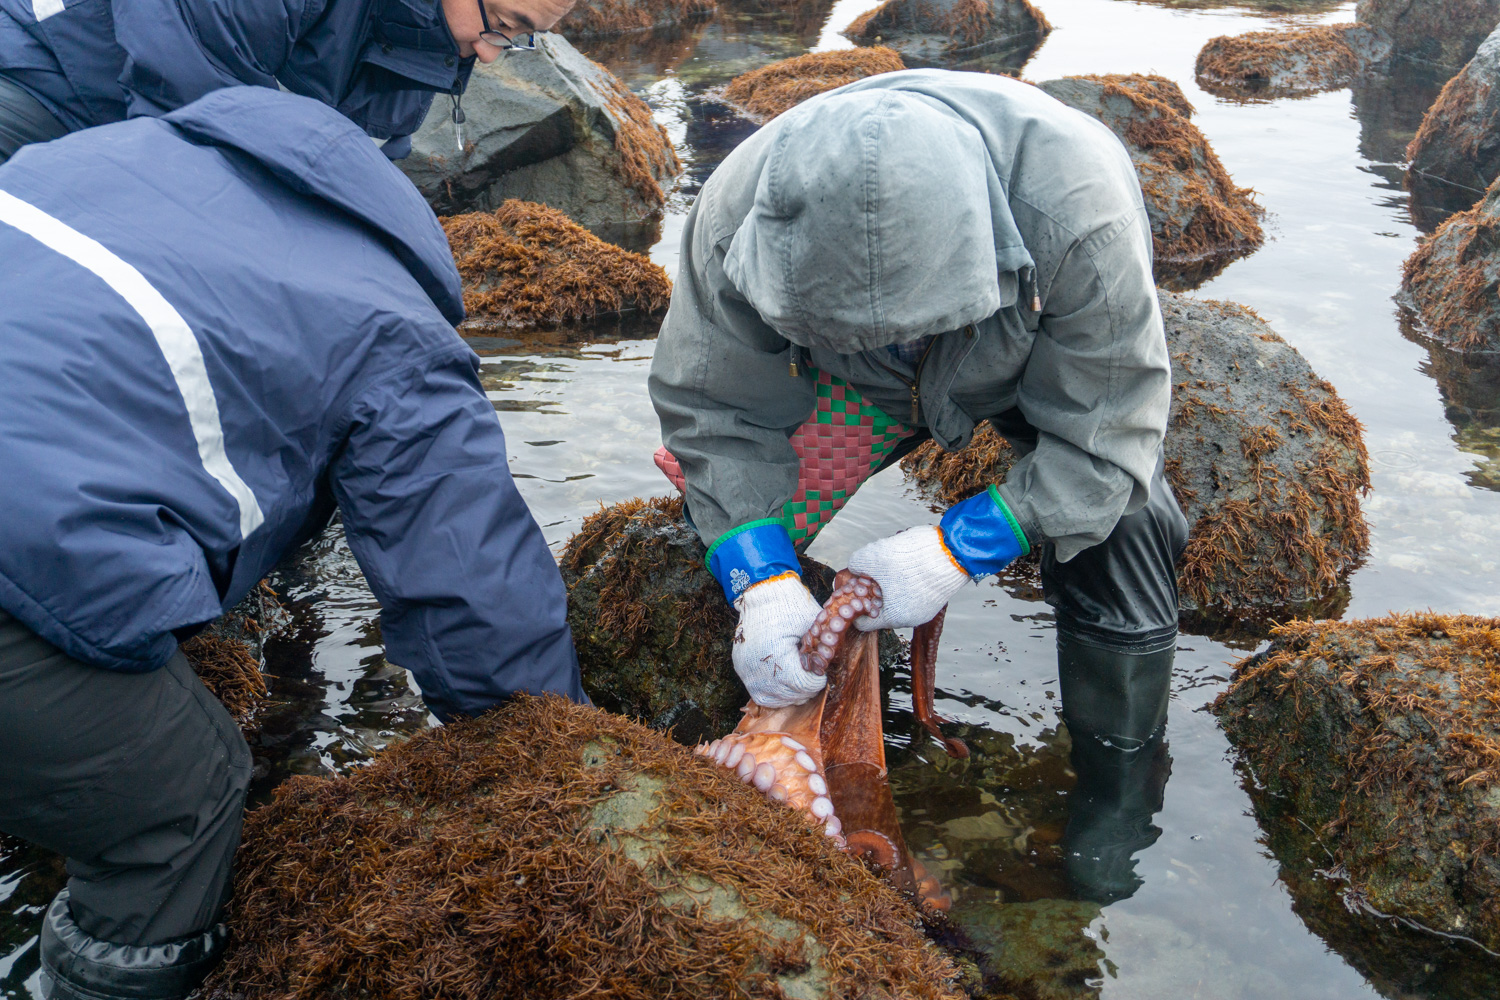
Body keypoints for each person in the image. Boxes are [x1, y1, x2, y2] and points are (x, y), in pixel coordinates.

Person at [0, 85, 584, 1000]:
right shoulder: (393, 324)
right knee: (181, 803)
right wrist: (561, 762)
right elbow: (473, 599)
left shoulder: (110, 150)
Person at [649, 69, 1188, 897]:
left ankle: (1119, 781)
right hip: (850, 391)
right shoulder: (732, 216)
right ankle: (784, 742)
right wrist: (757, 574)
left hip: (1019, 358)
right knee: (735, 525)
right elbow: (716, 410)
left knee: (1126, 514)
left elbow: (1105, 437)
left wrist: (959, 545)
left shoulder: (1081, 220)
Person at [0, 0, 577, 164]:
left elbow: (353, 180)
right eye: (503, 25)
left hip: (125, 133)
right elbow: (185, 106)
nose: (491, 55)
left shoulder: (424, 52)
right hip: (43, 78)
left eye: (519, 38)